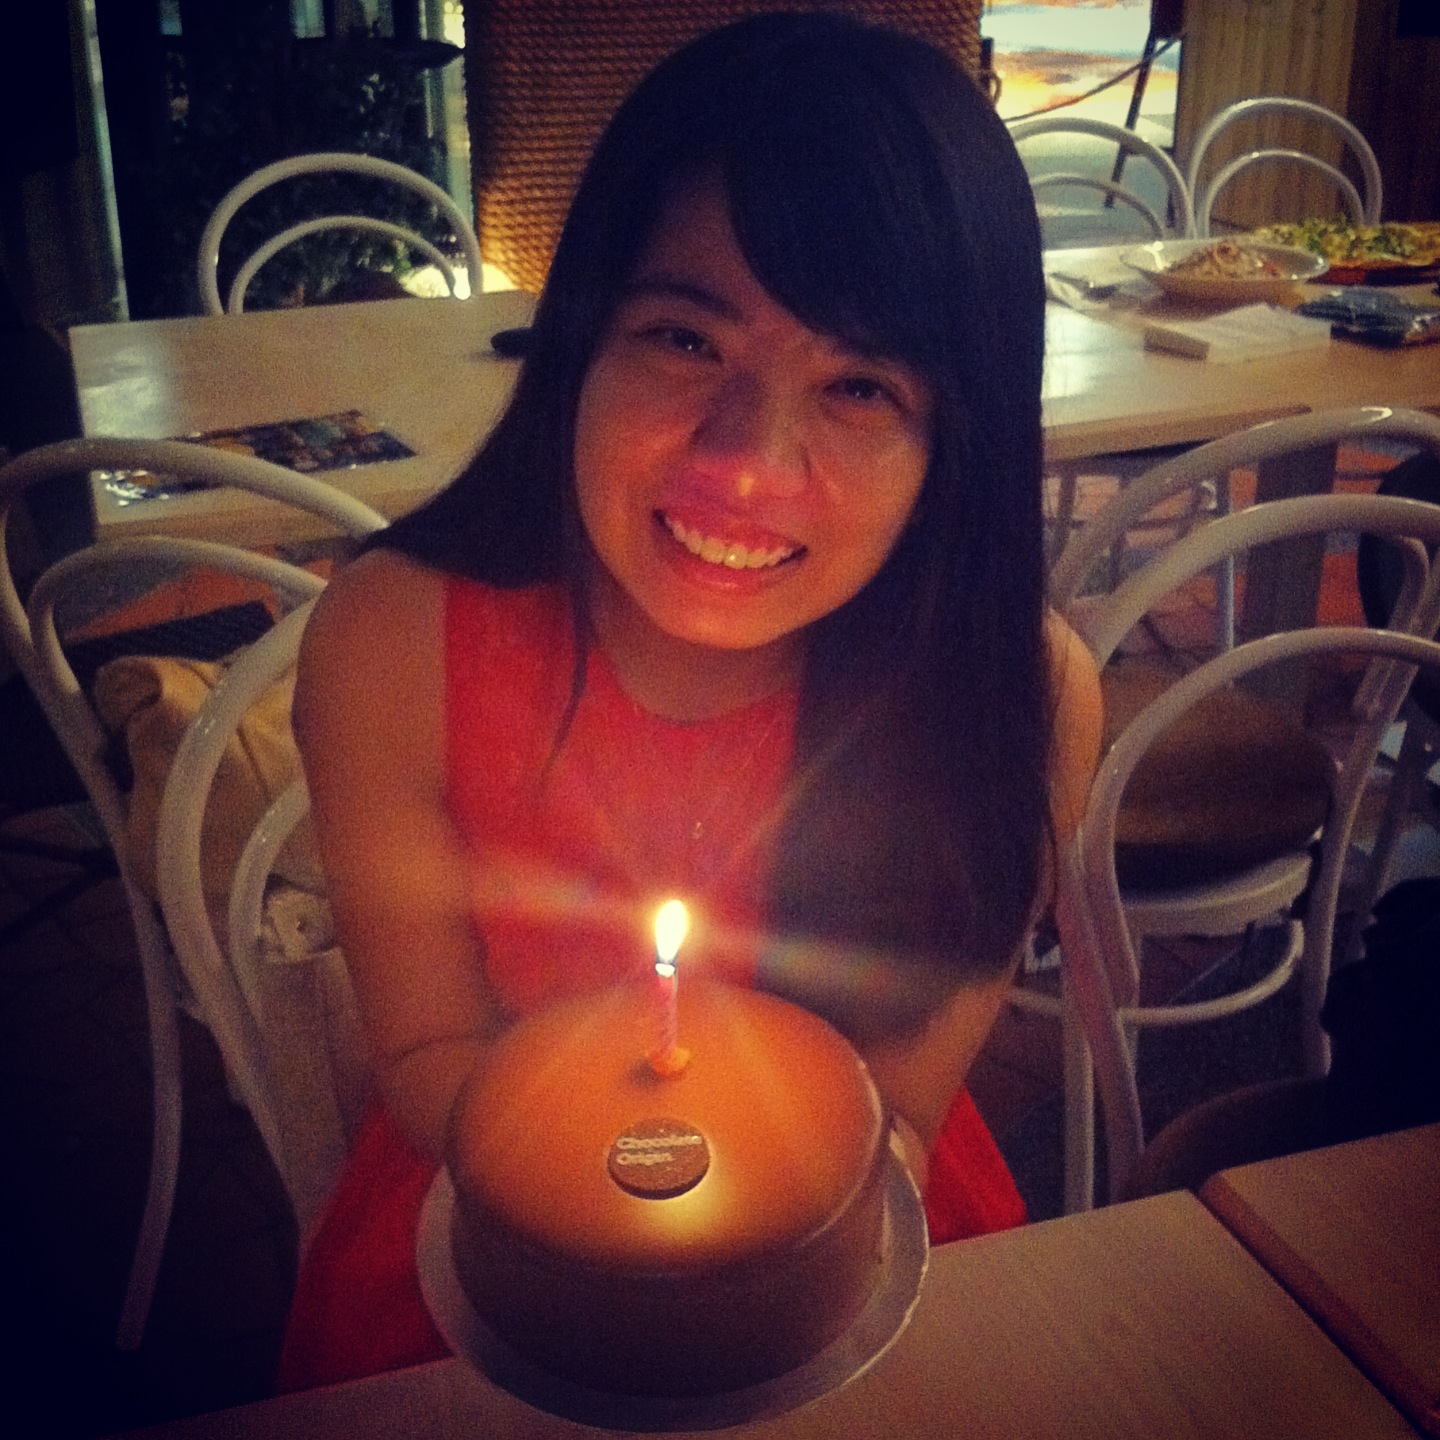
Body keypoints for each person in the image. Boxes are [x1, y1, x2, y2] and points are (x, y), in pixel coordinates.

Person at [280, 9, 1102, 1391]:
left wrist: (742, 1273)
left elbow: (903, 1105)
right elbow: (426, 1047)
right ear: (580, 335)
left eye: (858, 385)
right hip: (497, 1217)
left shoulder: (1016, 690)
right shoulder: (395, 641)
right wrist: (615, 1230)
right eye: (684, 338)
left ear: (955, 438)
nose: (748, 463)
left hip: (853, 1220)